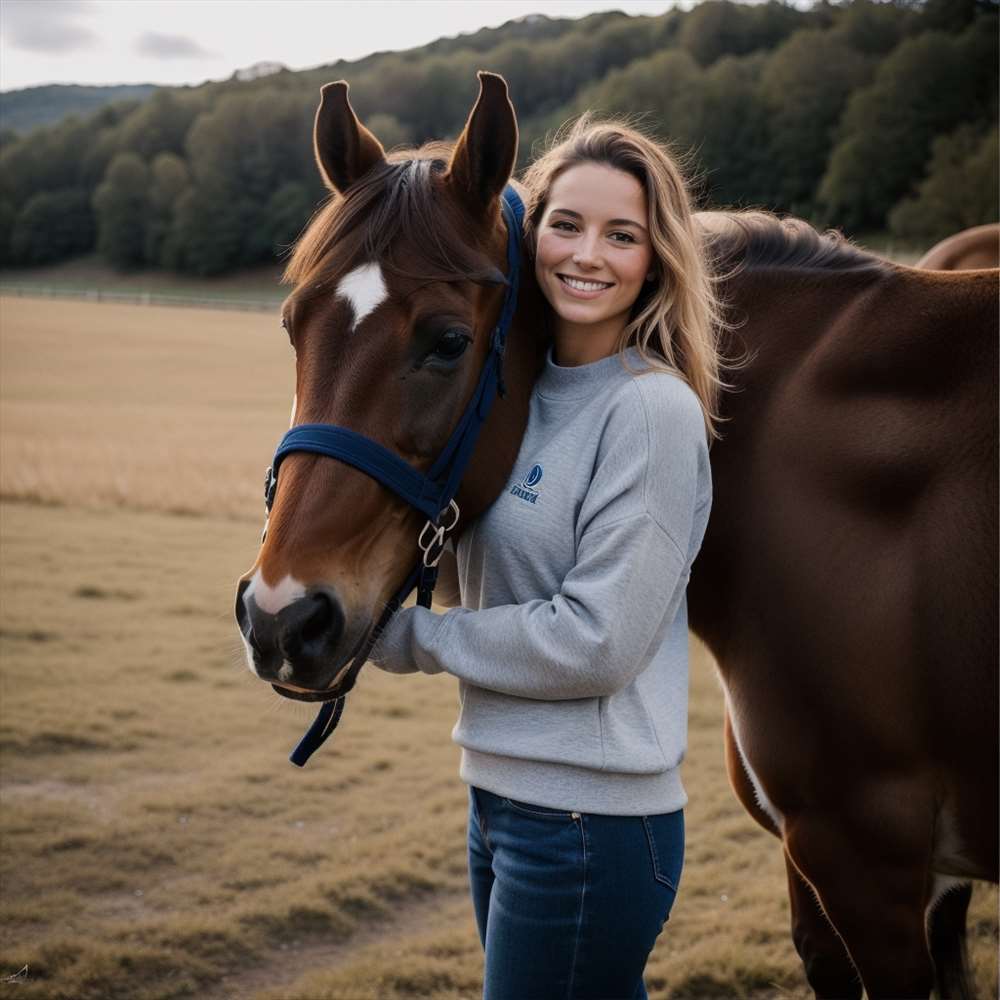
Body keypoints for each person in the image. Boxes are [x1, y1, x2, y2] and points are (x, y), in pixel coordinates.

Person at [372, 115, 729, 1000]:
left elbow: (596, 642)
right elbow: (478, 562)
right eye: (566, 224)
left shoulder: (649, 412)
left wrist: (413, 638)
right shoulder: (517, 400)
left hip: (590, 820)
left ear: (657, 258)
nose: (588, 254)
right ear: (530, 237)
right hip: (500, 795)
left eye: (623, 234)